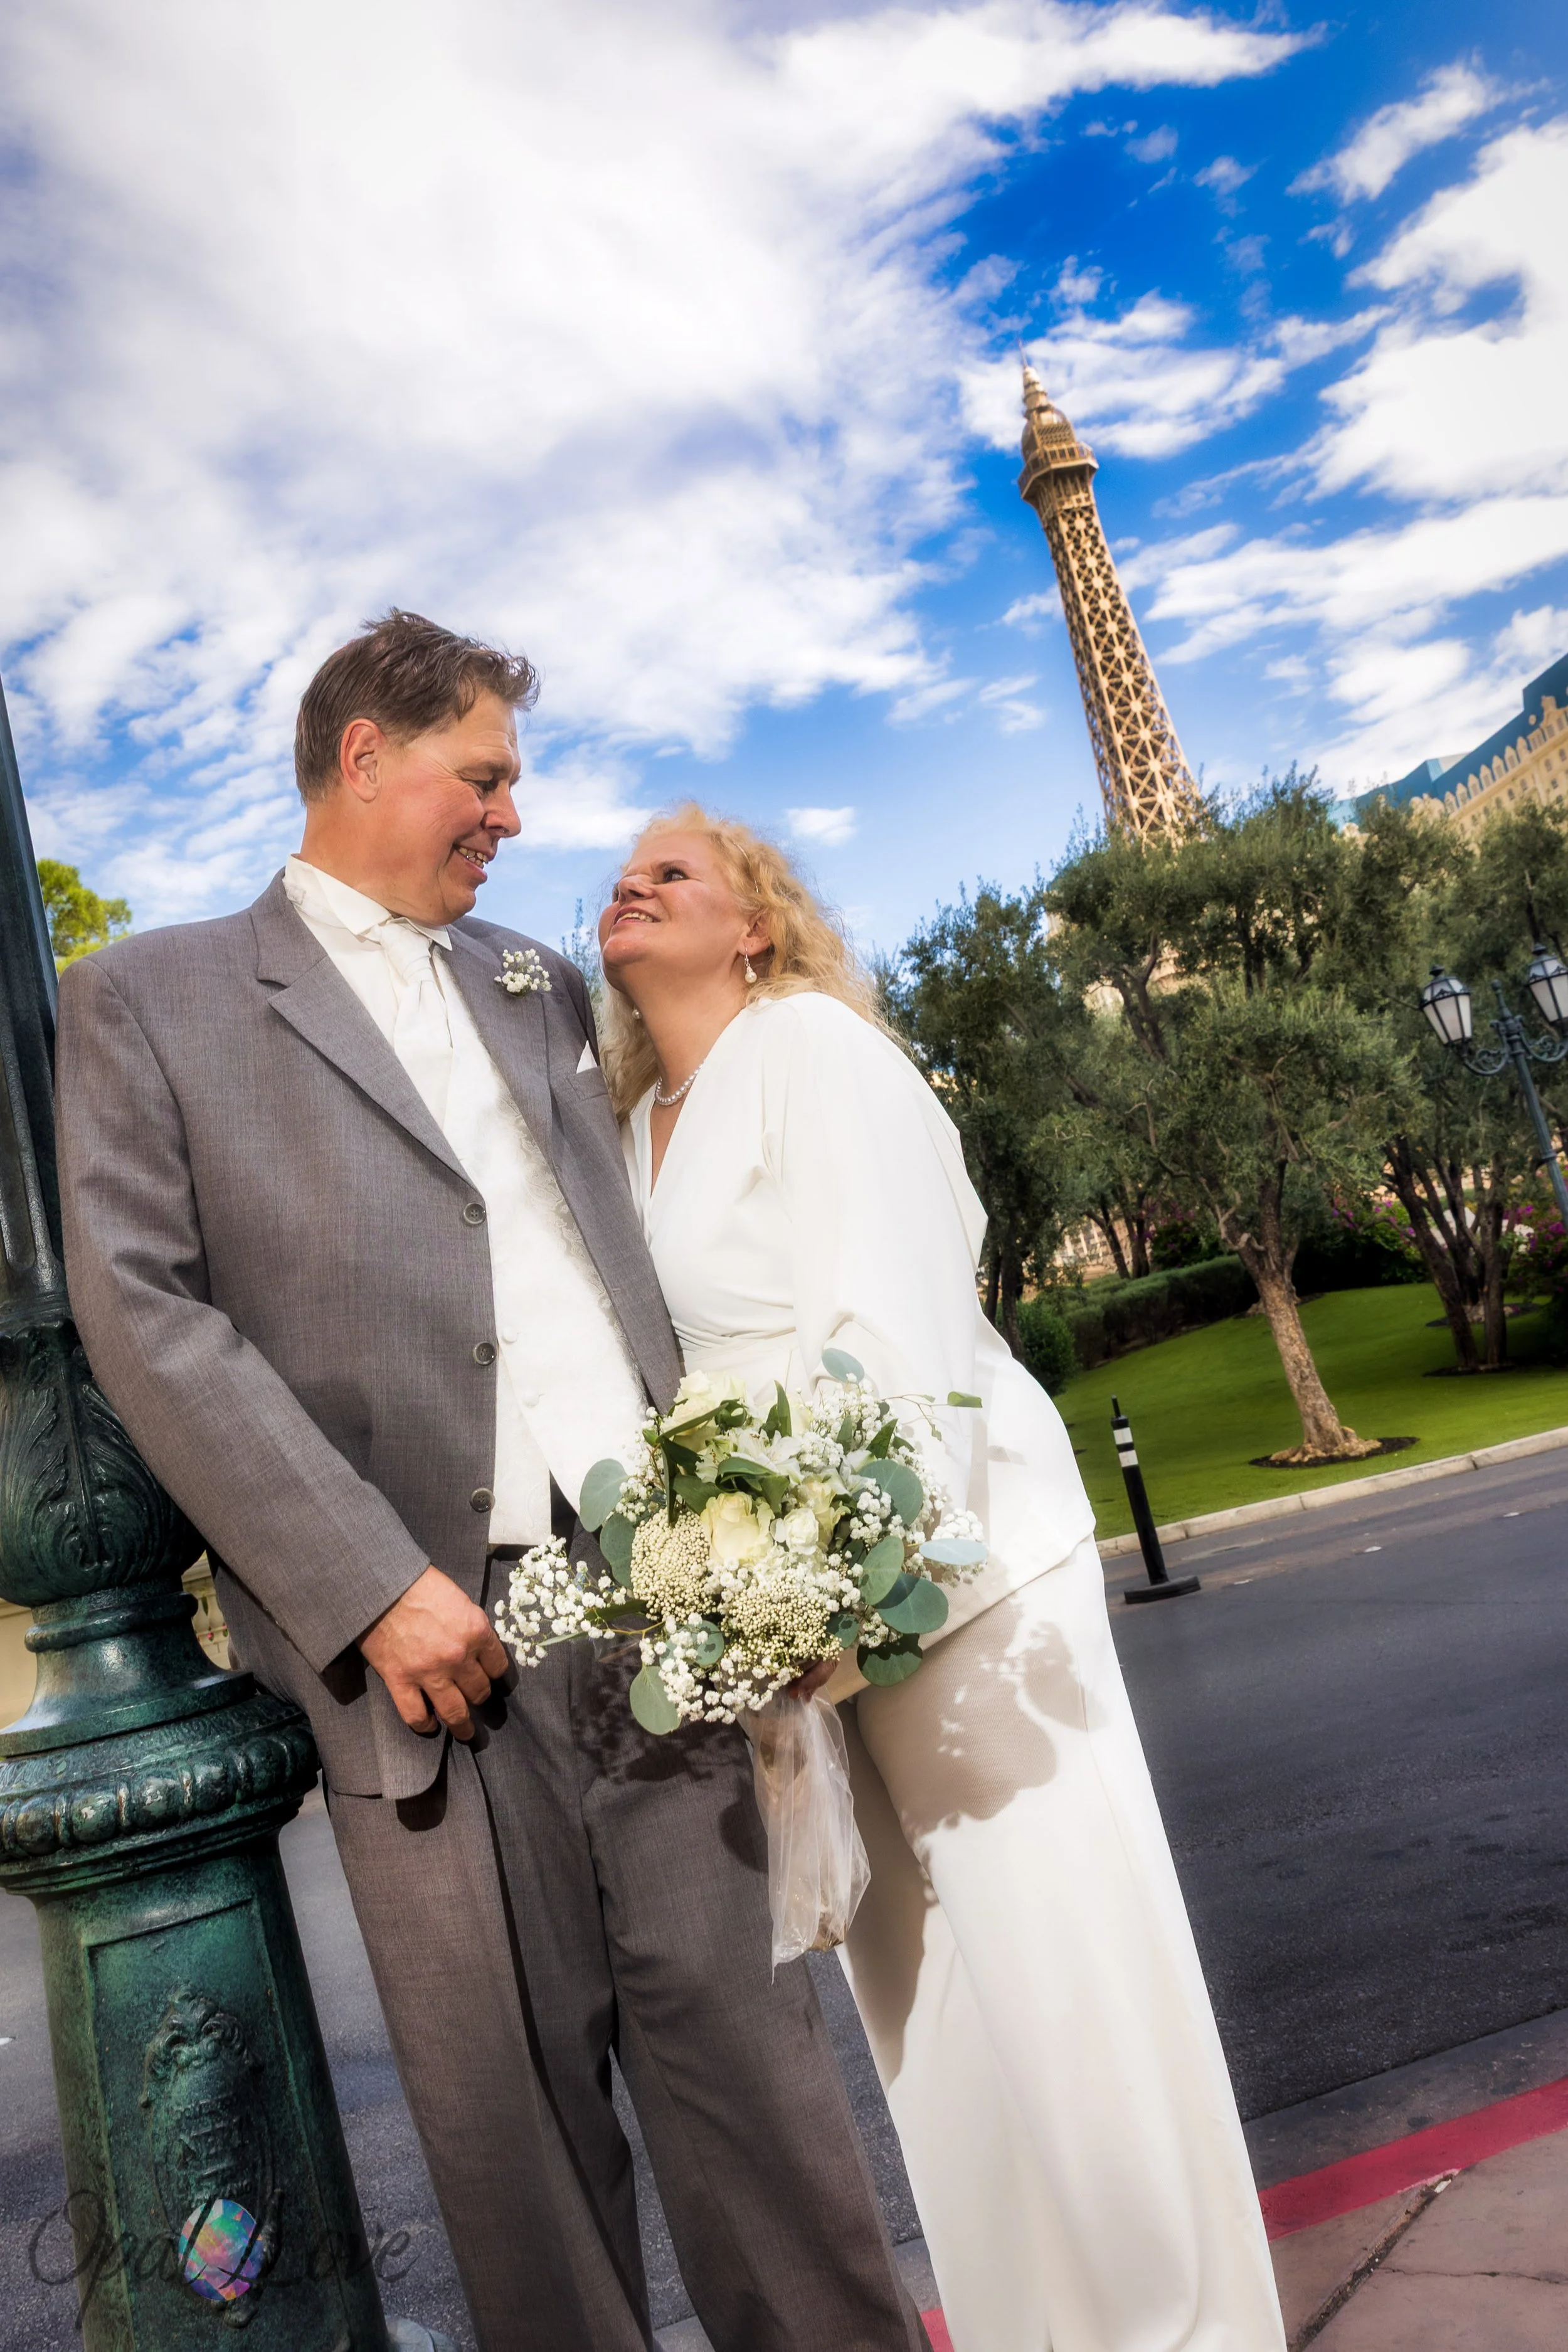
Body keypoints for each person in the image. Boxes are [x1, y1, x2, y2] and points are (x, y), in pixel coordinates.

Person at [54, 615, 931, 2352]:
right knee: (517, 2145)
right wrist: (365, 1580)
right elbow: (138, 1310)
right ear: (363, 756)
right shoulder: (146, 997)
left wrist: (755, 1532)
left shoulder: (537, 978)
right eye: (483, 775)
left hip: (660, 1604)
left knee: (762, 2093)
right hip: (427, 1651)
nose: (509, 816)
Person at [596, 805, 1287, 2352]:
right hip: (782, 1611)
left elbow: (894, 1315)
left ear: (754, 924)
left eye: (672, 872)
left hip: (942, 1573)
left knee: (1066, 1976)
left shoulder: (812, 1054)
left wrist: (840, 1573)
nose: (629, 888)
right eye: (619, 876)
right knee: (925, 2018)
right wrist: (741, 1602)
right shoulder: (635, 1124)